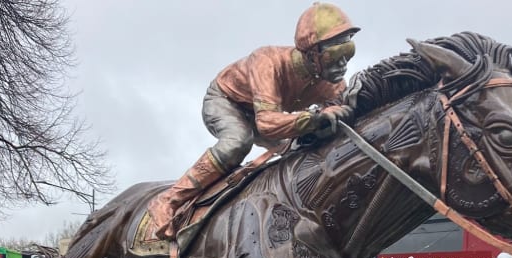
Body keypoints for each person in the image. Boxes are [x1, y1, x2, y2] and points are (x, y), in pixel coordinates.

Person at [146, 2, 359, 241]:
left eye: (348, 53)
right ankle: (168, 201)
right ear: (311, 53)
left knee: (301, 150)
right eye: (335, 56)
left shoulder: (333, 84)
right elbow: (266, 124)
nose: (343, 65)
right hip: (229, 101)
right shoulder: (267, 61)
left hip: (270, 112)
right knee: (238, 141)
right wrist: (316, 118)